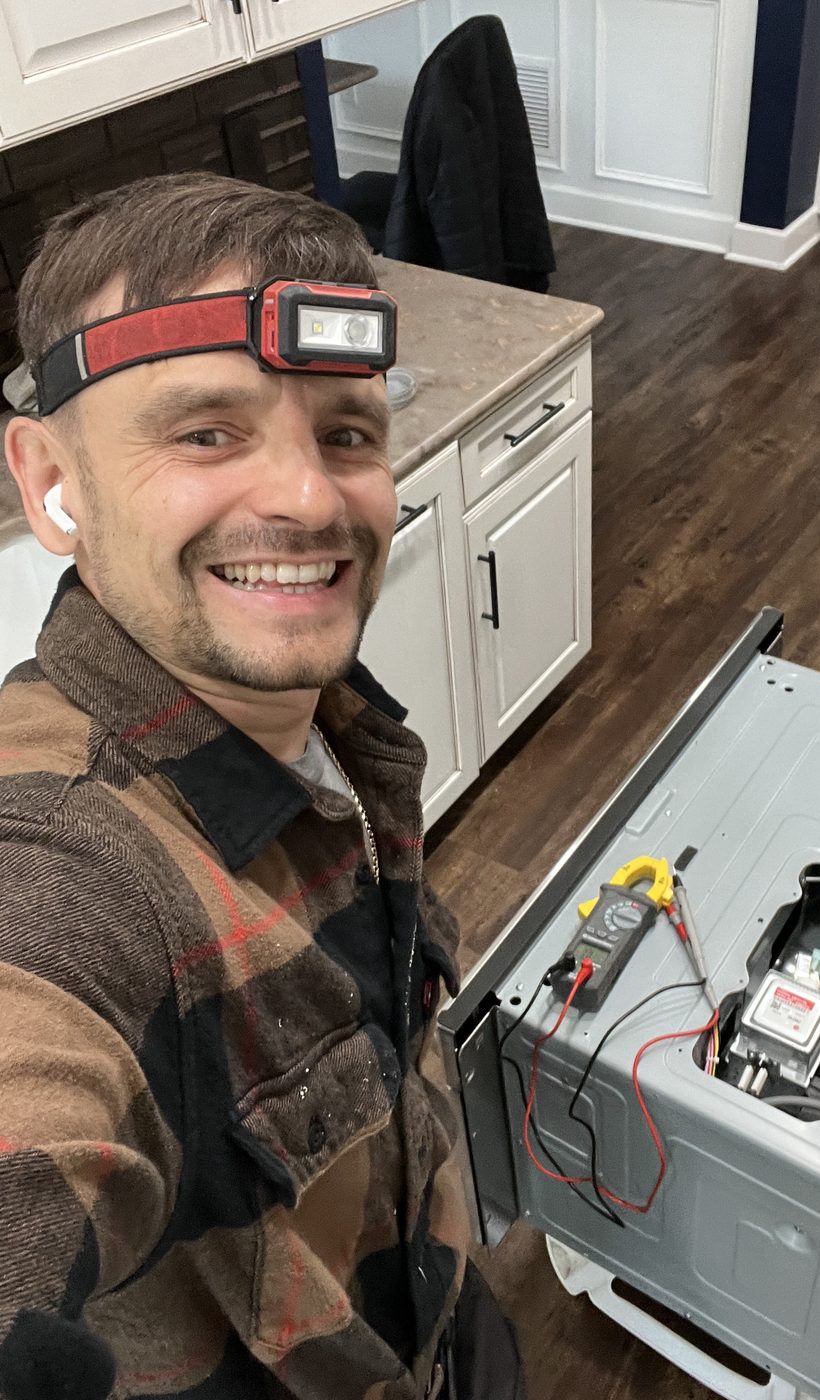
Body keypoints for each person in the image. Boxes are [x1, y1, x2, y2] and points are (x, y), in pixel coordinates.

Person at [0, 172, 524, 1400]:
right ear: (48, 481)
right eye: (206, 431)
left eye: (346, 432)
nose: (306, 498)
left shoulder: (335, 729)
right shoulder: (65, 872)